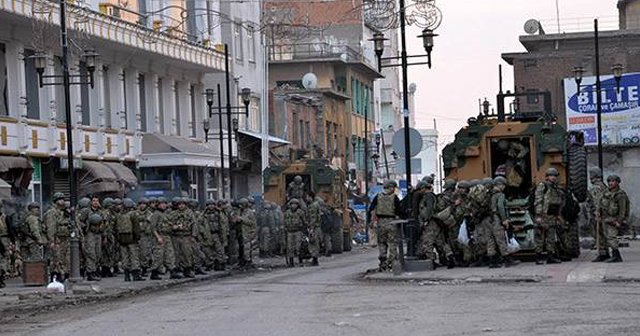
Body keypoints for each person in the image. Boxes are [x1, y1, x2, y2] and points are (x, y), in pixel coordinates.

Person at [418, 182, 455, 269]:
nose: (420, 191)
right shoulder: (433, 196)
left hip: (431, 222)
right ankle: (450, 257)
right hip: (436, 222)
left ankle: (431, 262)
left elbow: (430, 209)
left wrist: (426, 220)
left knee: (427, 242)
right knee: (440, 241)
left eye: (420, 189)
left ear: (424, 188)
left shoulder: (428, 196)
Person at [369, 180, 402, 272]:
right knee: (392, 243)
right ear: (391, 188)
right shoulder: (394, 198)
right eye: (394, 188)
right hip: (392, 222)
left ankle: (383, 262)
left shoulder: (377, 197)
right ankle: (392, 262)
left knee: (382, 243)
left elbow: (371, 209)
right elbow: (399, 211)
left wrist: (371, 222)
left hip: (381, 222)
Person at [486, 177, 519, 268]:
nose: (504, 187)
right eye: (503, 185)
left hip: (488, 219)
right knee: (501, 239)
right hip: (496, 218)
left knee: (491, 240)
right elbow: (500, 207)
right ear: (499, 185)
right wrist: (504, 219)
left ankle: (492, 262)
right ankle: (507, 259)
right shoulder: (500, 194)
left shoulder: (488, 194)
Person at [534, 168, 564, 265]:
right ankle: (538, 256)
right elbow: (538, 200)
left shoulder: (555, 188)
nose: (554, 177)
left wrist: (558, 215)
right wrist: (538, 215)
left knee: (551, 237)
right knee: (540, 237)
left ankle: (550, 256)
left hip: (552, 216)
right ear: (547, 177)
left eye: (555, 176)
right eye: (551, 175)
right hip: (543, 215)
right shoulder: (543, 186)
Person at [597, 175, 630, 263]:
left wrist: (619, 221)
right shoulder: (606, 192)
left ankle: (617, 256)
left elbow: (623, 209)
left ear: (617, 182)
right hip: (605, 218)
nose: (610, 183)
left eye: (613, 181)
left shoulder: (620, 194)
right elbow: (601, 204)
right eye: (609, 181)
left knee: (611, 237)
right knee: (605, 237)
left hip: (613, 219)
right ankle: (607, 254)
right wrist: (599, 213)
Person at [149, 197, 180, 280]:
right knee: (158, 255)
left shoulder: (165, 214)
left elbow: (168, 224)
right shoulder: (156, 214)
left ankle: (172, 271)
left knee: (169, 254)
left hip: (167, 236)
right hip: (160, 236)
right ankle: (154, 272)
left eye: (164, 203)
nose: (163, 205)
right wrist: (158, 237)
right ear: (158, 205)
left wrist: (174, 227)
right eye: (161, 204)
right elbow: (153, 228)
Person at [115, 198, 145, 281]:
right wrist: (137, 237)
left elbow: (116, 227)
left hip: (122, 239)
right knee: (134, 256)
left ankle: (127, 275)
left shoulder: (119, 215)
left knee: (124, 257)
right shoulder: (133, 214)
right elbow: (136, 227)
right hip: (131, 238)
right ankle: (136, 275)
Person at [45, 192, 71, 282]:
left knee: (65, 258)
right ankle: (55, 276)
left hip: (65, 238)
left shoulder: (63, 212)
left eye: (63, 199)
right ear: (56, 201)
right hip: (57, 239)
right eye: (60, 199)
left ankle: (65, 275)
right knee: (56, 258)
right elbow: (51, 227)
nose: (62, 201)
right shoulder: (52, 212)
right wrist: (52, 241)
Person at [168, 197, 196, 278]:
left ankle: (187, 269)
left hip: (186, 236)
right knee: (176, 254)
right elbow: (168, 223)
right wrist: (174, 227)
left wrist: (193, 235)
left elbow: (194, 224)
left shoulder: (190, 213)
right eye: (179, 204)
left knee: (187, 253)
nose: (181, 206)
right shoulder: (173, 214)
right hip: (175, 236)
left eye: (183, 204)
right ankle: (176, 269)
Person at [588, 167, 610, 262]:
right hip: (604, 213)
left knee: (598, 233)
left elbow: (597, 201)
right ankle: (605, 252)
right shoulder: (603, 185)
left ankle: (602, 253)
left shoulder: (595, 187)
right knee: (602, 233)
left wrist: (597, 213)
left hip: (598, 214)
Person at [80, 196, 103, 281]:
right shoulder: (86, 211)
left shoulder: (100, 212)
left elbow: (104, 222)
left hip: (98, 233)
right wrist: (85, 227)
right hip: (90, 234)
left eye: (97, 201)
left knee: (98, 253)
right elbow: (80, 221)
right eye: (94, 201)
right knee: (90, 253)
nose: (95, 202)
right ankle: (90, 272)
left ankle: (96, 270)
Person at [284, 199, 305, 267]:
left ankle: (300, 261)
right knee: (290, 247)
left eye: (295, 204)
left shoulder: (300, 212)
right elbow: (284, 221)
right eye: (292, 204)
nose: (293, 206)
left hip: (298, 231)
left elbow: (304, 221)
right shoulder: (287, 213)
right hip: (289, 232)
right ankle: (291, 262)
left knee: (298, 247)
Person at [305, 194, 324, 266]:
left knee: (313, 242)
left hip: (314, 227)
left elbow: (313, 218)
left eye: (307, 197)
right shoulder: (316, 205)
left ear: (310, 197)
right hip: (317, 226)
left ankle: (314, 259)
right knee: (315, 242)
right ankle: (315, 259)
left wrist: (311, 228)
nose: (306, 198)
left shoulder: (312, 206)